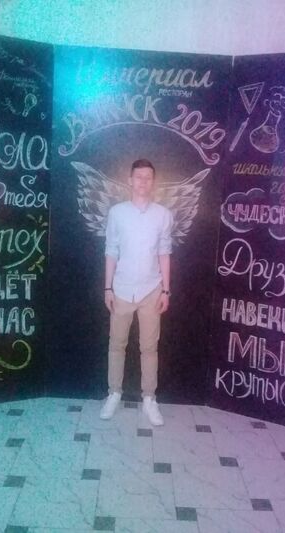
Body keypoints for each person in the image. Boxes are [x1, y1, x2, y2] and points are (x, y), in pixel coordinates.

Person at [100, 159, 173, 426]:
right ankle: (114, 393)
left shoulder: (163, 215)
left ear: (153, 182)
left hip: (151, 290)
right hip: (120, 289)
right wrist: (107, 287)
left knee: (149, 347)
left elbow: (164, 253)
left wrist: (166, 290)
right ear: (130, 180)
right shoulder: (117, 213)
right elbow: (111, 250)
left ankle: (149, 399)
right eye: (138, 177)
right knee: (116, 344)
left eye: (148, 177)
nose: (143, 181)